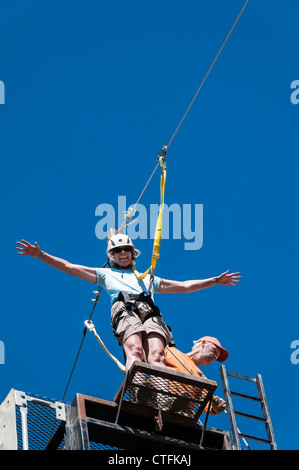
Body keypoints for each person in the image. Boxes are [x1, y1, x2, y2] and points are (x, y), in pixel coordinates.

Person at [16, 236, 241, 373]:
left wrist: (215, 281)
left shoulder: (147, 278)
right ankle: (139, 388)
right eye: (117, 251)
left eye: (126, 250)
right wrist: (41, 255)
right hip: (125, 309)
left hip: (150, 312)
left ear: (132, 254)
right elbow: (69, 266)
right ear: (112, 255)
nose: (122, 253)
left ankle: (161, 392)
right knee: (134, 349)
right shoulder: (105, 274)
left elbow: (184, 286)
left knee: (157, 355)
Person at [164, 336, 229, 416]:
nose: (215, 357)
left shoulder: (202, 379)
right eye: (215, 351)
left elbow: (207, 403)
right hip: (159, 398)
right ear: (203, 343)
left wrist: (216, 408)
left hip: (180, 414)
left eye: (217, 357)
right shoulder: (171, 351)